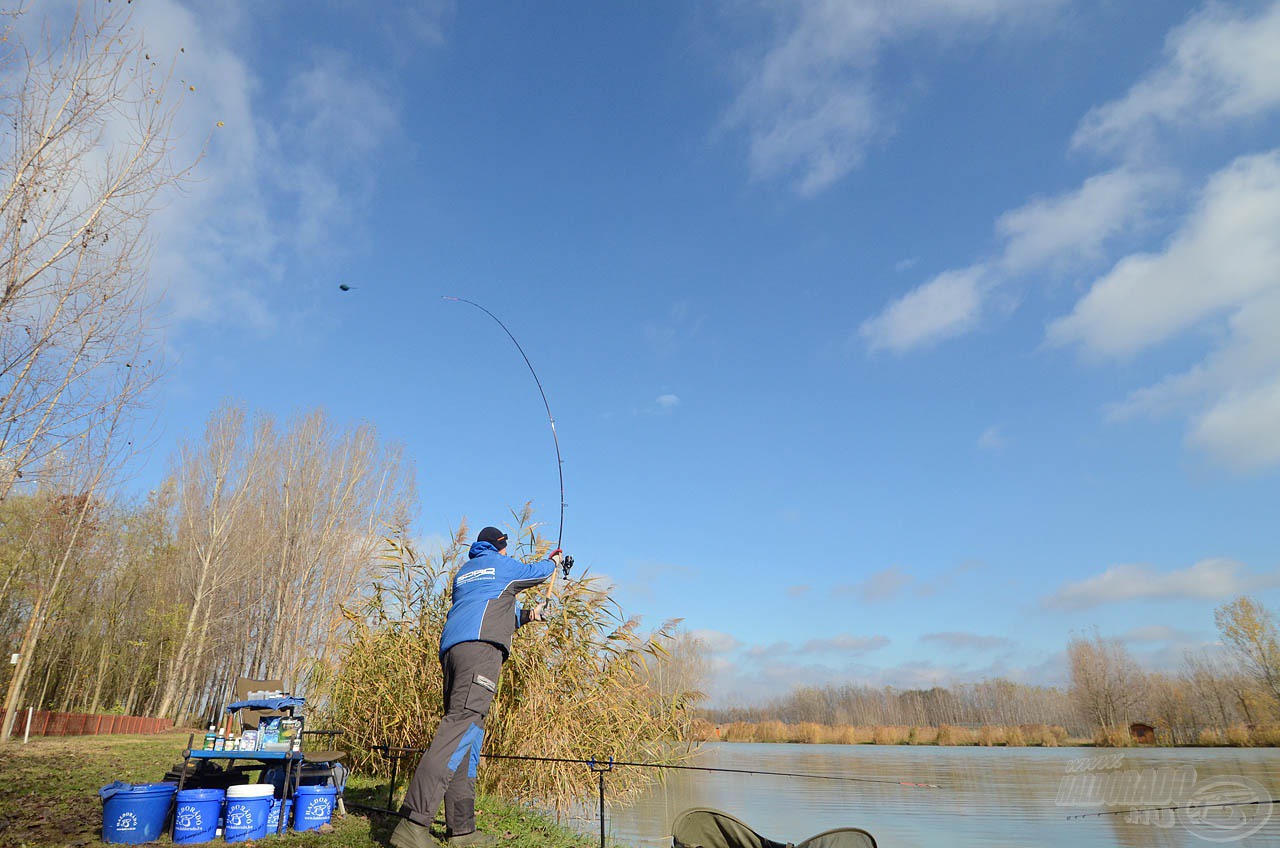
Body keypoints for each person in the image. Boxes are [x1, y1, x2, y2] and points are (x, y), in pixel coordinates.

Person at [391, 526, 566, 848]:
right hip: (481, 652)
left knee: (467, 734)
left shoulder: (466, 572)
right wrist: (552, 561)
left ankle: (463, 830)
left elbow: (497, 609)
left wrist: (530, 615)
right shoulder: (502, 564)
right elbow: (537, 572)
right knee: (458, 729)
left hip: (456, 652)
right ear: (501, 546)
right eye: (505, 547)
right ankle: (413, 825)